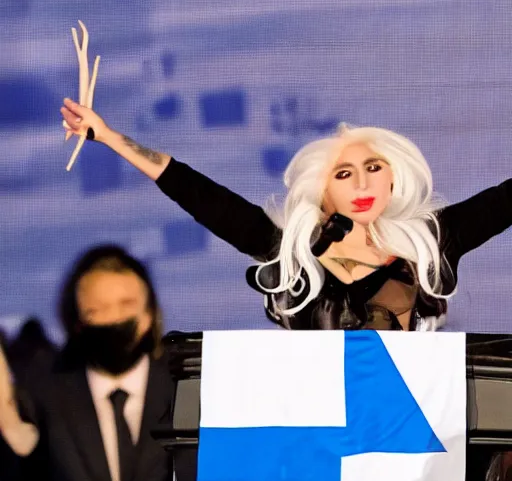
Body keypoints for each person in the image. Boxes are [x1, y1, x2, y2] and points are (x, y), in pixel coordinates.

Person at [60, 98, 512, 332]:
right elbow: (200, 195)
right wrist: (113, 139)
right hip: (315, 423)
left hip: (403, 421)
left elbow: (504, 201)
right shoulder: (292, 250)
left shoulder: (426, 244)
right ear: (321, 190)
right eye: (344, 173)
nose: (361, 185)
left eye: (373, 169)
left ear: (393, 177)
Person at [0, 244, 176, 481]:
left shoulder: (186, 388)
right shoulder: (43, 396)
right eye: (97, 310)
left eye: (126, 305)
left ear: (149, 314)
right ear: (77, 322)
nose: (114, 319)